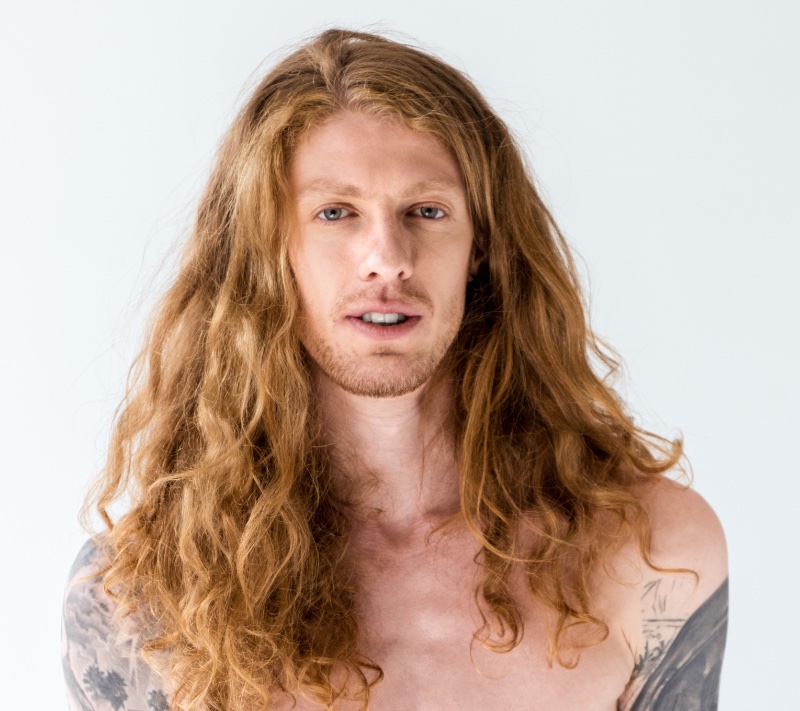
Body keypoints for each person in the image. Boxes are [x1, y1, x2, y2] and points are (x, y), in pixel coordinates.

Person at [62, 28, 728, 711]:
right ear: (268, 250)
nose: (387, 257)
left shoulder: (653, 555)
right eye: (336, 212)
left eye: (426, 211)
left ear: (481, 247)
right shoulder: (140, 596)